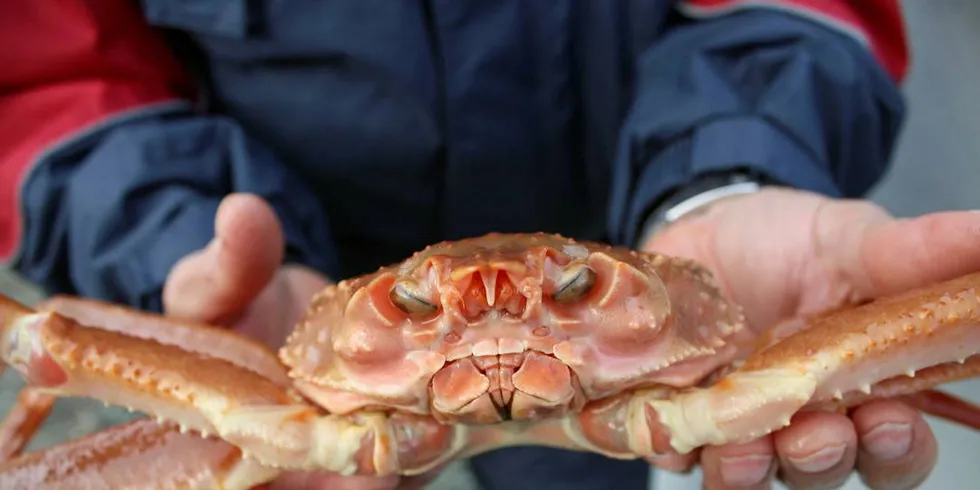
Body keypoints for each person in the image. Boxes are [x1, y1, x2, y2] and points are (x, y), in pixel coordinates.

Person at [2, 1, 979, 489]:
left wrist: (731, 173)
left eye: (560, 296)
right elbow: (45, 55)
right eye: (424, 306)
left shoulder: (708, 343)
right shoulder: (290, 377)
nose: (500, 339)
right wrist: (166, 231)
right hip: (283, 271)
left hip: (638, 216)